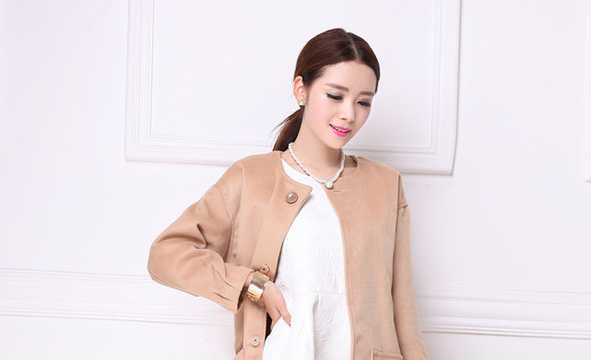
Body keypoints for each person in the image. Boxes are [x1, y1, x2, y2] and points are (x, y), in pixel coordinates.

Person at [148, 28, 428, 360]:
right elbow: (166, 254)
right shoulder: (250, 178)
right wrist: (252, 285)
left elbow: (403, 311)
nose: (349, 114)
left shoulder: (386, 185)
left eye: (363, 102)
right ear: (301, 90)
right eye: (335, 95)